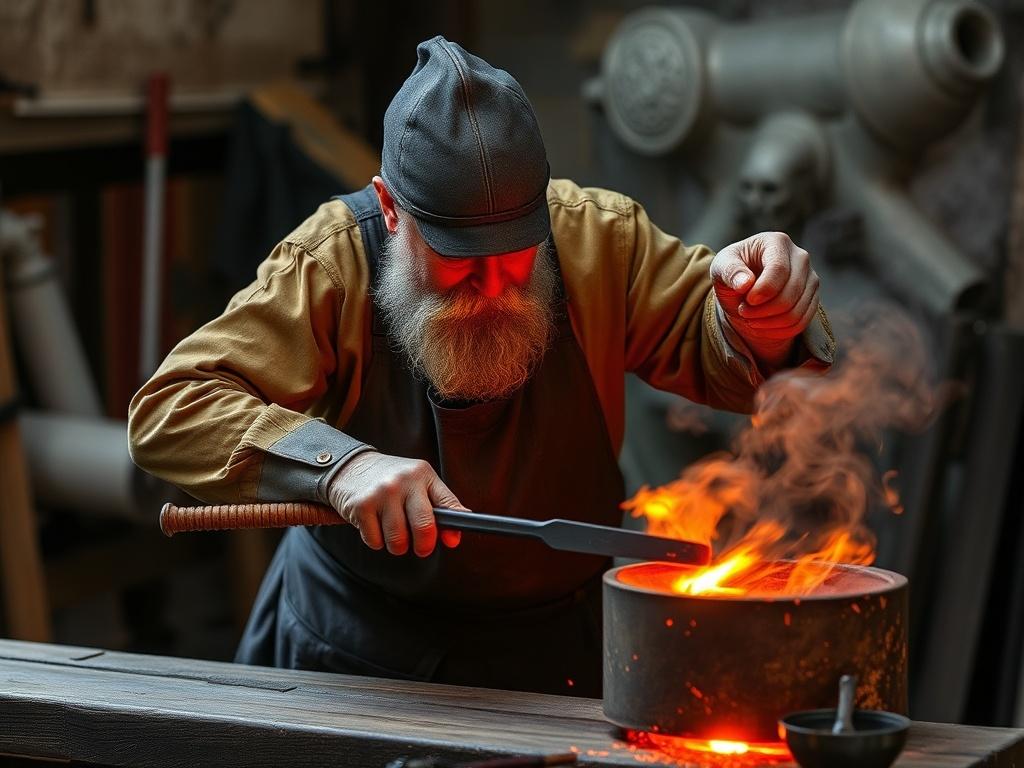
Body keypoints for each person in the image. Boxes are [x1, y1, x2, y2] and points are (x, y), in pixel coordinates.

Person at [128, 36, 834, 696]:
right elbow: (172, 409)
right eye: (459, 260)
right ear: (391, 208)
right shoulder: (332, 262)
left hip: (557, 650)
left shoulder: (598, 239)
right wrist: (340, 467)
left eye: (517, 256)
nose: (495, 287)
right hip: (356, 650)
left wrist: (759, 322)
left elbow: (711, 340)